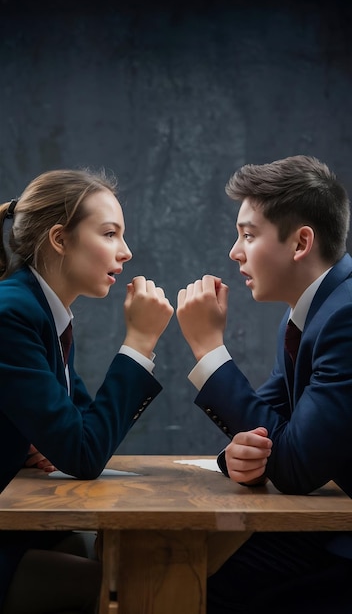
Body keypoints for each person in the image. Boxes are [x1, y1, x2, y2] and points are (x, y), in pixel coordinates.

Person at [176, 155, 352, 613]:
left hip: (340, 539)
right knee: (196, 581)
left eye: (249, 235)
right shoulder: (307, 315)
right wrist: (237, 456)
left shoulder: (345, 318)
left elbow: (294, 466)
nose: (235, 251)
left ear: (301, 243)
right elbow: (268, 423)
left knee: (202, 590)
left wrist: (209, 349)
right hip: (326, 524)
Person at [0, 168, 174, 614]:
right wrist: (139, 342)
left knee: (96, 555)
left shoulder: (45, 312)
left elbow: (79, 432)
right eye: (110, 233)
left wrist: (43, 440)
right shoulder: (13, 314)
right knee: (135, 583)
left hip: (22, 523)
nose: (126, 251)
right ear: (60, 239)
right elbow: (84, 452)